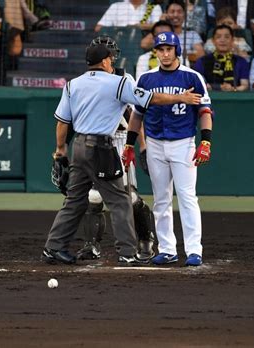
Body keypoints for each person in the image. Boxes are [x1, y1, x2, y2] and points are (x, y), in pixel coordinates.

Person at [41, 42, 202, 266]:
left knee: (74, 201)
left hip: (78, 146)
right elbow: (150, 99)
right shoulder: (118, 82)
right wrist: (180, 98)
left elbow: (62, 122)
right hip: (101, 148)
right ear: (105, 61)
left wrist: (60, 151)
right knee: (120, 201)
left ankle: (53, 247)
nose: (112, 62)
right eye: (110, 58)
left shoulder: (72, 85)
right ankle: (127, 252)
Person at [123, 31, 213, 267]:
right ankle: (167, 249)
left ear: (177, 51)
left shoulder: (192, 77)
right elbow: (137, 116)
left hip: (183, 143)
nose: (164, 53)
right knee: (161, 199)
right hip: (154, 143)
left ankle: (194, 250)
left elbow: (204, 112)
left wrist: (206, 141)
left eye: (168, 49)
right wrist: (130, 144)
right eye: (160, 49)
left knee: (187, 197)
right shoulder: (146, 79)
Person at [75, 35, 155, 263]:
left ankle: (145, 241)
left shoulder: (123, 78)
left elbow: (135, 114)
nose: (111, 58)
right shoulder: (84, 80)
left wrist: (141, 145)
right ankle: (92, 245)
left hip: (120, 140)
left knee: (129, 197)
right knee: (93, 196)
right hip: (94, 141)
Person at [140, 0, 205, 63]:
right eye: (172, 12)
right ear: (166, 13)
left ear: (184, 15)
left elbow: (201, 54)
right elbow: (144, 44)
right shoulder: (161, 34)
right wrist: (161, 23)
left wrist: (179, 56)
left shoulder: (192, 34)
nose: (175, 15)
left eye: (179, 12)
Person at [194, 24, 250, 91]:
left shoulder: (241, 61)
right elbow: (198, 84)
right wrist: (214, 87)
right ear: (213, 41)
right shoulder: (202, 61)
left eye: (226, 37)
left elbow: (245, 85)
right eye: (218, 37)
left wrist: (233, 89)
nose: (222, 40)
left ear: (232, 40)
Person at [95, 0, 163, 32]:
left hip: (142, 48)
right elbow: (98, 28)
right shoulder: (116, 6)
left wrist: (138, 26)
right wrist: (121, 29)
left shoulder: (154, 7)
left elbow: (160, 27)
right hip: (118, 44)